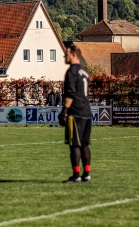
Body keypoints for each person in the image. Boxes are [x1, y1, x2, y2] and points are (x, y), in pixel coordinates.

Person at [60, 43, 93, 184]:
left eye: (66, 54)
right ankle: (87, 174)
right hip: (87, 112)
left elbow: (70, 94)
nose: (64, 57)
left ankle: (76, 175)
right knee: (85, 145)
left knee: (75, 145)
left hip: (76, 112)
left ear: (73, 55)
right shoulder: (84, 71)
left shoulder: (72, 71)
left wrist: (64, 111)